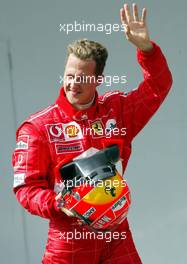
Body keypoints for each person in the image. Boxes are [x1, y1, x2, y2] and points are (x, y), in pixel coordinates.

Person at [12, 3, 172, 264]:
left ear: (98, 79)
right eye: (69, 75)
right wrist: (58, 203)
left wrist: (147, 50)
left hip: (116, 235)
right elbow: (26, 188)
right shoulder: (38, 128)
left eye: (82, 78)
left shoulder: (117, 110)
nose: (73, 84)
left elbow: (158, 86)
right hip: (69, 239)